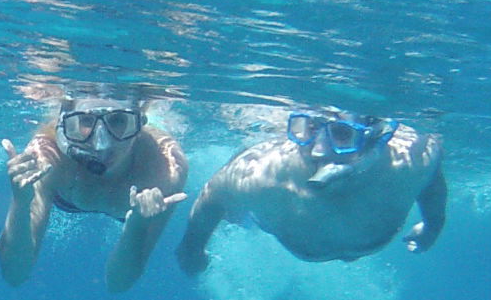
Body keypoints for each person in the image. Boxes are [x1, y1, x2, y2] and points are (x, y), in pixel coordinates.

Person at [176, 108, 447, 274]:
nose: (318, 149)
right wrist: (192, 248)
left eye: (341, 134)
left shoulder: (410, 162)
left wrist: (433, 225)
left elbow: (432, 182)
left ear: (374, 140)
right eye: (312, 129)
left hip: (320, 242)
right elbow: (212, 195)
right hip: (274, 222)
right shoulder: (264, 176)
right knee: (238, 213)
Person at [0, 91, 188, 292]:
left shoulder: (165, 167)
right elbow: (14, 274)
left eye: (117, 120)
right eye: (86, 120)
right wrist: (21, 204)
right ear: (65, 124)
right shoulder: (46, 154)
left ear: (139, 123)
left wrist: (137, 227)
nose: (101, 143)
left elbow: (118, 284)